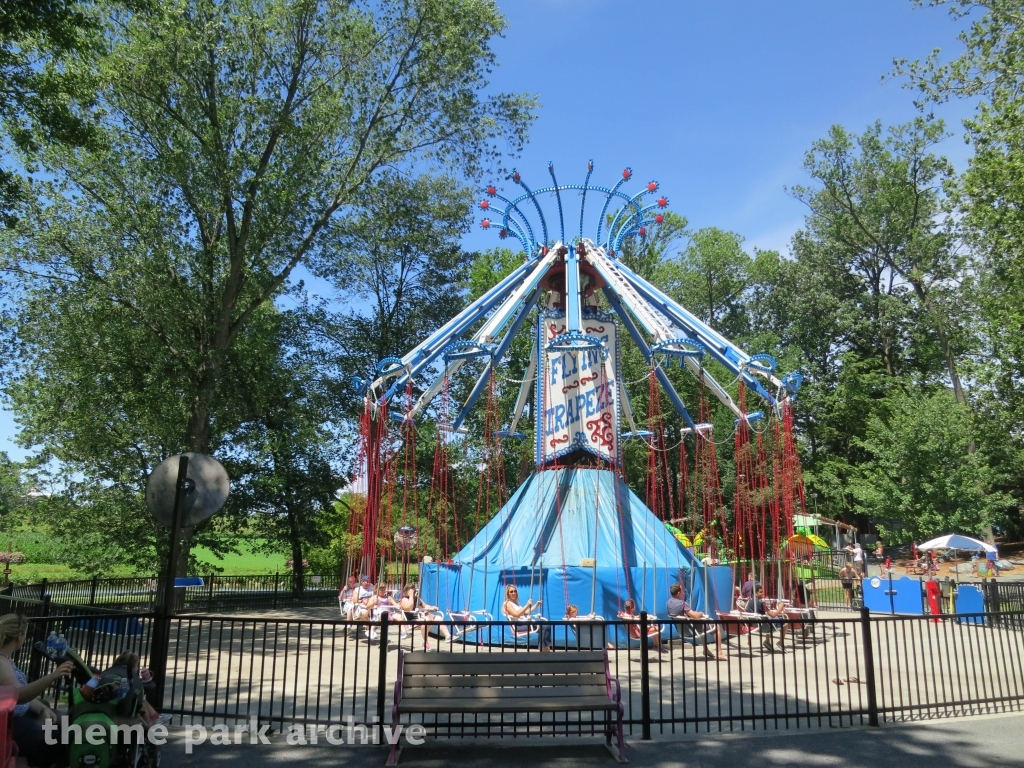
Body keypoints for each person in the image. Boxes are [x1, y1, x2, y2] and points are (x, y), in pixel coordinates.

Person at [0, 613, 74, 768]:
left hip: (20, 714)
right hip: (9, 723)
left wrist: (43, 709)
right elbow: (18, 695)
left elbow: (22, 693)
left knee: (66, 721)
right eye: (25, 634)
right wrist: (53, 676)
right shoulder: (1, 662)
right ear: (19, 636)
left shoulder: (6, 658)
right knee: (58, 735)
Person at [666, 583, 727, 661]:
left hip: (682, 630)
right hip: (690, 630)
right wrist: (701, 613)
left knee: (701, 624)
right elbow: (695, 616)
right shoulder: (682, 603)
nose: (683, 592)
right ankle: (720, 653)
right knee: (716, 626)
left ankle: (705, 650)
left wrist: (685, 615)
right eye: (681, 590)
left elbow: (676, 613)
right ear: (678, 592)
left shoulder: (668, 603)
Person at [399, 585, 452, 649]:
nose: (414, 591)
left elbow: (425, 605)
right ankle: (425, 641)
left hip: (422, 617)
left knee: (439, 618)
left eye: (414, 589)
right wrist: (411, 596)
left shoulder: (417, 599)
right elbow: (409, 608)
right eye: (412, 590)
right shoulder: (404, 599)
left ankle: (448, 636)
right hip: (413, 619)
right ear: (408, 591)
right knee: (426, 620)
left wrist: (431, 607)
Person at [502, 584, 551, 651]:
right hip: (518, 625)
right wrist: (527, 605)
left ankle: (544, 647)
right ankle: (543, 648)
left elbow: (526, 612)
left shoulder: (516, 603)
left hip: (523, 623)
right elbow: (516, 614)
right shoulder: (507, 604)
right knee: (544, 626)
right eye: (511, 592)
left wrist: (536, 605)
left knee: (546, 625)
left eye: (515, 591)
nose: (513, 593)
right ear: (508, 594)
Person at [745, 584, 787, 652]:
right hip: (765, 626)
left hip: (755, 625)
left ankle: (767, 641)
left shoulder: (749, 602)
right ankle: (780, 641)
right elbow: (773, 615)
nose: (762, 593)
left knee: (769, 619)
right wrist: (780, 608)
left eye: (762, 592)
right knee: (785, 621)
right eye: (760, 592)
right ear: (755, 594)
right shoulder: (761, 604)